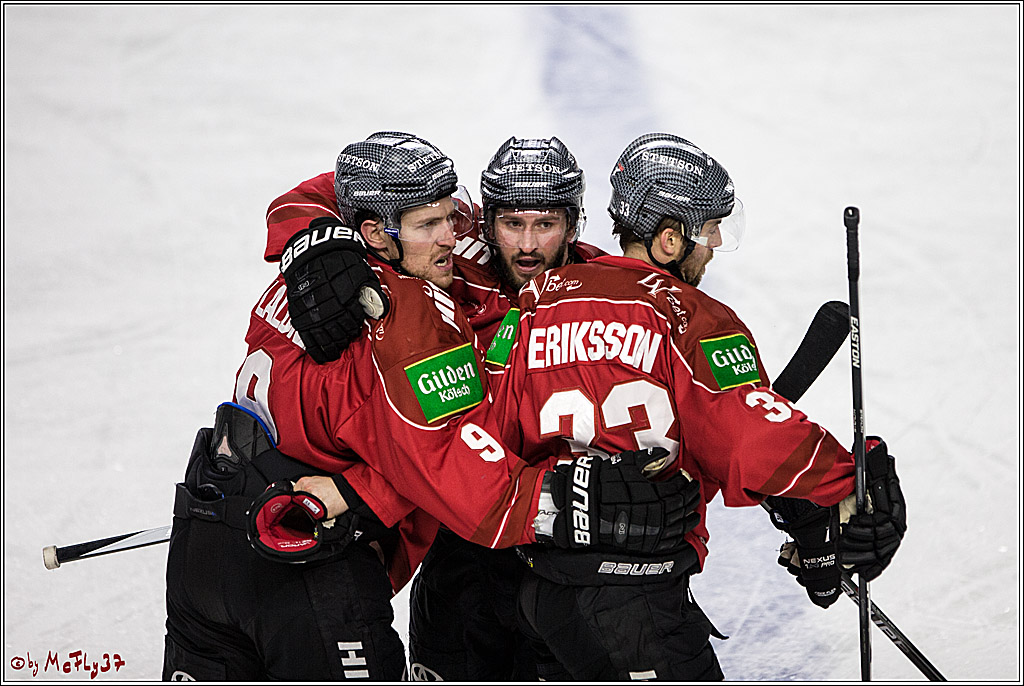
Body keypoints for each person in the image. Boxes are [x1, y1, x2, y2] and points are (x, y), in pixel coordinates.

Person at [162, 131, 698, 681]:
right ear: (487, 219)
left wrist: (313, 241)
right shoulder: (416, 302)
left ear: (573, 221)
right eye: (512, 223)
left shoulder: (580, 284)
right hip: (428, 538)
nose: (528, 244)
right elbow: (435, 452)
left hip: (229, 512)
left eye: (547, 223)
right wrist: (315, 234)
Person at [480, 132, 908, 680]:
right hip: (632, 603)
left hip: (539, 597)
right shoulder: (691, 315)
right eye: (708, 231)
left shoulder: (533, 307)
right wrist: (850, 479)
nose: (714, 244)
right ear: (667, 240)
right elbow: (748, 436)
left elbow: (486, 429)